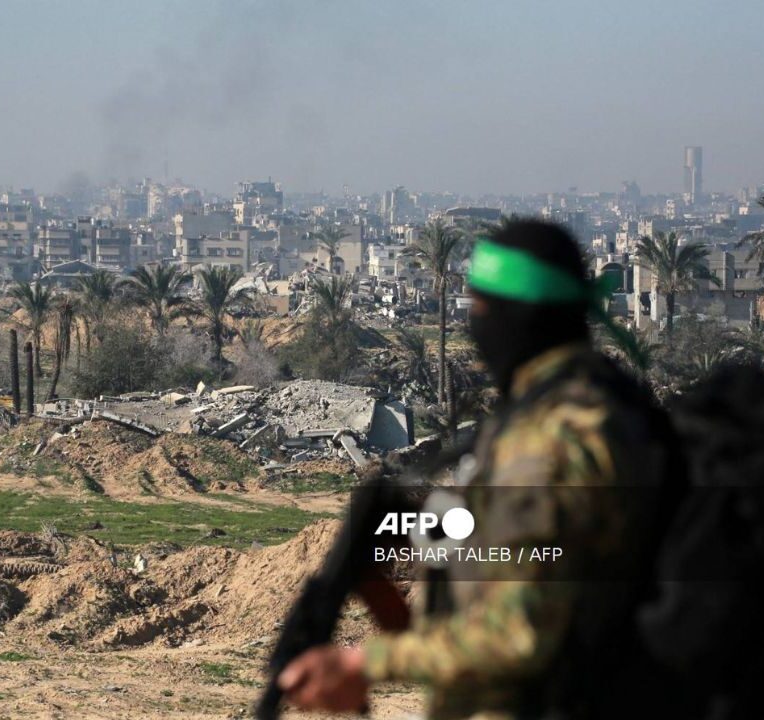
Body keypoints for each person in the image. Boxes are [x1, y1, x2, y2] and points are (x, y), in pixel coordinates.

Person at [277, 221, 675, 720]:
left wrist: (364, 662)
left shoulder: (551, 439)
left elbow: (519, 631)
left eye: (480, 309)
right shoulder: (603, 403)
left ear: (517, 315)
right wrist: (411, 531)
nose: (475, 325)